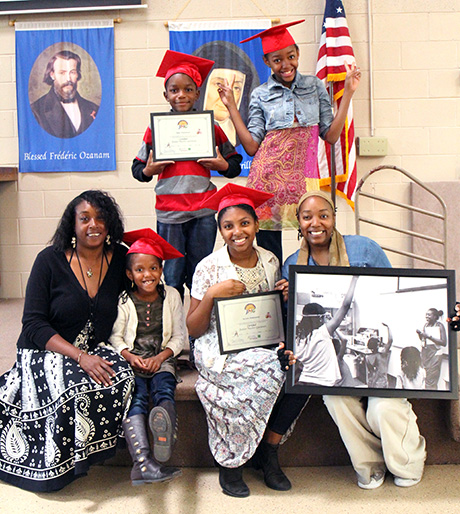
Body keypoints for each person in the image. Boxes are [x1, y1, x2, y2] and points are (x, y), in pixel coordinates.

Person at [282, 190, 426, 490]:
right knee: (335, 399)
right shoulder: (293, 262)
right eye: (307, 217)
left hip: (376, 349)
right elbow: (291, 320)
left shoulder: (363, 248)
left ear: (334, 217)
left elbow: (387, 288)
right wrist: (286, 297)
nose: (316, 223)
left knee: (381, 408)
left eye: (323, 215)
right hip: (333, 371)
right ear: (299, 222)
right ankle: (370, 465)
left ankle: (408, 462)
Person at [0, 190, 135, 492]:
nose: (93, 225)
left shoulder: (122, 258)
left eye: (101, 218)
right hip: (45, 348)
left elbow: (143, 296)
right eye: (84, 218)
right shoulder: (49, 260)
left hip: (96, 346)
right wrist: (79, 356)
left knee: (122, 376)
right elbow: (32, 324)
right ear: (72, 224)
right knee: (72, 386)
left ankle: (119, 453)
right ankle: (61, 465)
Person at [186, 184, 301, 498]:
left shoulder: (270, 260)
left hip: (262, 340)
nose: (237, 231)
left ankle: (268, 450)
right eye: (228, 226)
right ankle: (232, 462)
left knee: (296, 364)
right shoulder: (208, 267)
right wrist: (212, 294)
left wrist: (284, 296)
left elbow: (273, 312)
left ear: (257, 225)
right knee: (268, 366)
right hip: (217, 345)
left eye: (244, 223)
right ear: (220, 231)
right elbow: (194, 330)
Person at [217, 20, 361, 264]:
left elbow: (331, 135)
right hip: (268, 179)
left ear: (298, 54)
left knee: (313, 235)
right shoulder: (260, 94)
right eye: (277, 60)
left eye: (291, 56)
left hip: (305, 178)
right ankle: (275, 293)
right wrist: (231, 106)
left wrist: (348, 92)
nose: (286, 65)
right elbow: (252, 147)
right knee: (270, 247)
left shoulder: (314, 86)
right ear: (267, 62)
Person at [132, 50, 242, 299]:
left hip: (203, 209)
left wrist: (221, 164)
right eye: (174, 90)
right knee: (171, 274)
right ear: (166, 95)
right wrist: (150, 169)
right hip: (170, 212)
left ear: (197, 93)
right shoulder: (156, 129)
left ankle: (196, 333)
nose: (181, 95)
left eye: (188, 89)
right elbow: (137, 169)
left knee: (200, 271)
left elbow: (234, 165)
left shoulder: (211, 127)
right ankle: (174, 328)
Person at [109, 228, 185, 485]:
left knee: (165, 387)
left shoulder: (172, 295)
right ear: (130, 274)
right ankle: (142, 462)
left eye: (153, 268)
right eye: (139, 270)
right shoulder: (123, 300)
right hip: (134, 361)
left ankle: (165, 430)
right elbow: (116, 337)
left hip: (162, 358)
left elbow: (179, 337)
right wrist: (129, 357)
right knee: (137, 397)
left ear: (161, 270)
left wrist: (161, 356)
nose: (147, 274)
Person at [193, 40, 260, 147]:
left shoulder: (243, 136)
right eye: (219, 84)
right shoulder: (189, 130)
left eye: (236, 87)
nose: (228, 93)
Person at [295, 276, 358, 386]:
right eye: (324, 317)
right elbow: (345, 305)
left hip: (303, 381)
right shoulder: (321, 333)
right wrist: (355, 278)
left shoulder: (297, 336)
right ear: (319, 318)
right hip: (322, 384)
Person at [31, 50, 99, 138]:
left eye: (72, 72)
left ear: (77, 75)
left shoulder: (93, 108)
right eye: (62, 73)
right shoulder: (36, 111)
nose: (68, 79)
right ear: (52, 75)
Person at [416, 308, 447, 390]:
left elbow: (444, 342)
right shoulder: (426, 325)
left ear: (435, 316)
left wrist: (429, 336)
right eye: (426, 315)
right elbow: (424, 340)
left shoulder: (439, 325)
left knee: (431, 379)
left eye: (429, 315)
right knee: (425, 376)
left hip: (435, 355)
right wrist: (420, 335)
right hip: (426, 354)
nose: (427, 316)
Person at [366, 323, 393, 388]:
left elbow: (372, 372)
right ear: (377, 345)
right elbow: (390, 340)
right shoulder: (382, 354)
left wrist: (372, 382)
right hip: (383, 380)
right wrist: (388, 327)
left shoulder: (368, 358)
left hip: (374, 381)